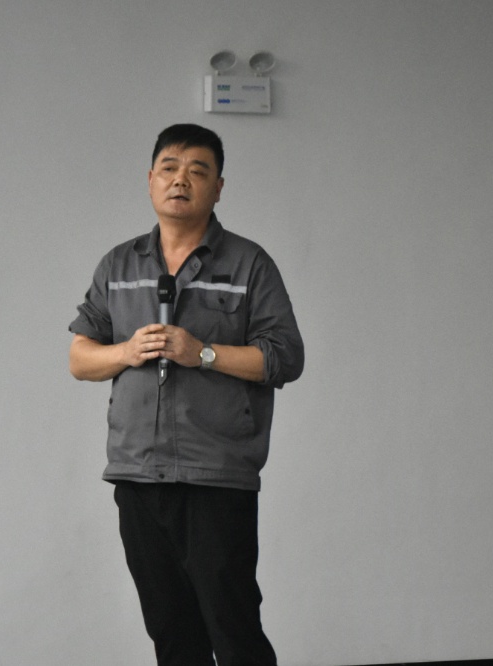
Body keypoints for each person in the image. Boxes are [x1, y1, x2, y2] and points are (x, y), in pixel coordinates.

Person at [68, 123, 304, 666]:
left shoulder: (249, 264)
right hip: (137, 473)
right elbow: (80, 358)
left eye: (198, 171)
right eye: (170, 169)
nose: (181, 180)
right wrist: (127, 351)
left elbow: (285, 357)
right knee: (171, 633)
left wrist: (204, 353)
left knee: (235, 630)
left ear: (218, 188)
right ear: (150, 179)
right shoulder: (119, 266)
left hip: (216, 475)